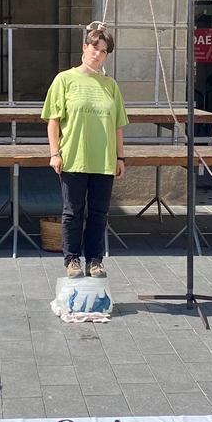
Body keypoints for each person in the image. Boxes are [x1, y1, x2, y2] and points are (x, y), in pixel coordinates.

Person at [42, 25, 129, 279]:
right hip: (74, 157)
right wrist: (54, 153)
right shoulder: (64, 79)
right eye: (95, 48)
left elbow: (118, 125)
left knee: (99, 213)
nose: (98, 54)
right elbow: (53, 121)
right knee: (73, 212)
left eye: (104, 51)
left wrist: (120, 157)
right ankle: (72, 260)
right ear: (84, 48)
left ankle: (95, 260)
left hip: (104, 160)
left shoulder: (110, 85)